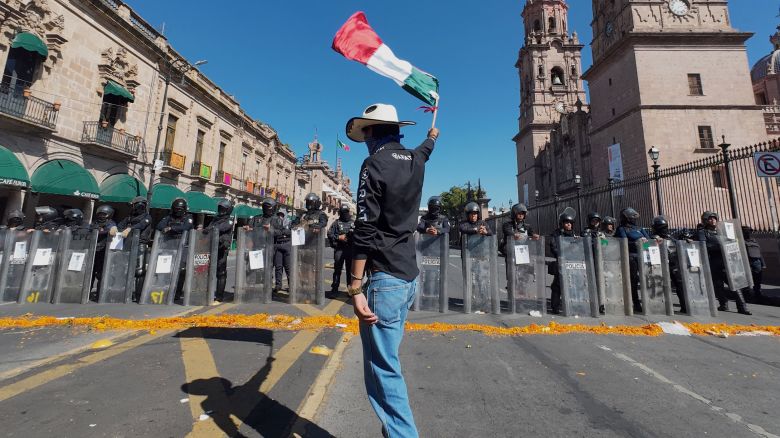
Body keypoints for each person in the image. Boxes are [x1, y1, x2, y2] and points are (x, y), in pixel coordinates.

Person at [345, 102, 438, 438]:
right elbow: (426, 149)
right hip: (408, 276)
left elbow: (365, 226)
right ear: (397, 130)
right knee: (389, 359)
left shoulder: (374, 164)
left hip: (384, 277)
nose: (365, 139)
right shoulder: (416, 159)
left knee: (383, 370)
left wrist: (355, 286)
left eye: (366, 132)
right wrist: (432, 136)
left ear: (373, 133)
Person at [696, 211, 751, 314]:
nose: (713, 220)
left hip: (726, 261)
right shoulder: (703, 232)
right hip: (713, 261)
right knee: (717, 285)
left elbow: (731, 241)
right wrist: (717, 246)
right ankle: (723, 304)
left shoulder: (722, 231)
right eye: (710, 219)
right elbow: (703, 246)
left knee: (734, 284)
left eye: (714, 218)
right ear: (706, 221)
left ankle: (742, 307)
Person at [117, 196, 153, 300]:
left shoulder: (147, 217)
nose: (132, 207)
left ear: (138, 205)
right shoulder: (129, 217)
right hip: (127, 244)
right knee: (124, 268)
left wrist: (130, 228)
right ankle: (124, 292)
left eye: (133, 205)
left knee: (139, 271)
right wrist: (115, 227)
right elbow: (120, 225)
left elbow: (141, 225)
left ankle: (138, 295)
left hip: (140, 244)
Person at [615, 207, 650, 313]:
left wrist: (645, 242)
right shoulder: (622, 229)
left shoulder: (640, 228)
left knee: (646, 279)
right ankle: (636, 303)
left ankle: (648, 302)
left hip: (643, 256)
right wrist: (635, 243)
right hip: (630, 257)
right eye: (631, 217)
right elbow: (622, 243)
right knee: (633, 281)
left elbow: (649, 241)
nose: (633, 219)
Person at [652, 215, 686, 313]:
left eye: (665, 228)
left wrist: (684, 240)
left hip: (673, 263)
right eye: (662, 228)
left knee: (679, 284)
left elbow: (678, 245)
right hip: (659, 265)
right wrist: (652, 241)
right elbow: (644, 246)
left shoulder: (670, 237)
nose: (664, 230)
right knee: (660, 285)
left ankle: (684, 306)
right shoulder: (653, 238)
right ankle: (661, 307)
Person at [549, 211, 577, 314]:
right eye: (566, 222)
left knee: (572, 284)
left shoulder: (574, 234)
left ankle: (571, 305)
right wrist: (562, 254)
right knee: (558, 285)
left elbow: (578, 248)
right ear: (562, 223)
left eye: (570, 223)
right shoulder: (556, 234)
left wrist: (578, 242)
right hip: (561, 261)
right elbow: (553, 247)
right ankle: (555, 307)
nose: (569, 224)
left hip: (572, 262)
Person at [205, 199, 234, 302]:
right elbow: (208, 229)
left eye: (223, 208)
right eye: (220, 208)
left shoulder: (229, 220)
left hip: (222, 249)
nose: (221, 210)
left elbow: (220, 229)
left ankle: (219, 296)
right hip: (211, 247)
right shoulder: (215, 219)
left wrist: (210, 228)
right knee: (207, 271)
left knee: (221, 273)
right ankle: (206, 293)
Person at [327, 204, 354, 298]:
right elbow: (329, 234)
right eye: (343, 213)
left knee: (350, 271)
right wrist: (338, 237)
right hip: (339, 249)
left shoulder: (353, 223)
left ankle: (350, 290)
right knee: (337, 270)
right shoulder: (336, 223)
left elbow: (359, 235)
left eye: (346, 212)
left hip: (350, 249)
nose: (345, 214)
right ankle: (334, 289)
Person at [90, 205, 118, 296]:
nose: (101, 216)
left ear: (109, 215)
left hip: (104, 251)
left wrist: (102, 231)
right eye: (100, 214)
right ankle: (87, 292)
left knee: (101, 274)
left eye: (104, 214)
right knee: (90, 273)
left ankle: (99, 294)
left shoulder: (111, 223)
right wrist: (99, 230)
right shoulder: (95, 222)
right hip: (93, 250)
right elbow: (90, 229)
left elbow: (111, 231)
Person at [742, 226, 765, 303]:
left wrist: (763, 264)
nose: (748, 233)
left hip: (757, 263)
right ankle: (747, 296)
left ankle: (758, 295)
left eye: (749, 231)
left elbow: (760, 253)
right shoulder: (740, 242)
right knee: (746, 281)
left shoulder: (754, 241)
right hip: (747, 263)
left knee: (757, 281)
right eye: (746, 231)